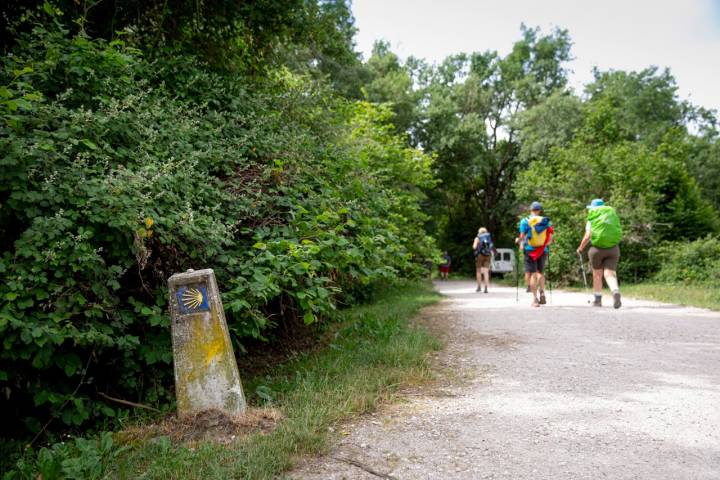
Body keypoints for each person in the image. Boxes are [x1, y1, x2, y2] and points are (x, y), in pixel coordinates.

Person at [576, 198, 623, 308]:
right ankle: (615, 291)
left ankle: (597, 300)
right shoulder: (611, 216)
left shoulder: (592, 218)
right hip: (613, 248)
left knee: (597, 274)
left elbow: (587, 236)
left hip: (596, 249)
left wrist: (580, 248)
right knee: (610, 273)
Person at [518, 201, 553, 307]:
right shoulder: (545, 221)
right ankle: (542, 292)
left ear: (530, 210)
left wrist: (518, 241)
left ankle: (535, 299)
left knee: (533, 274)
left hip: (530, 250)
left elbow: (522, 236)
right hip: (543, 250)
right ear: (540, 210)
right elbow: (550, 239)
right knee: (540, 272)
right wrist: (543, 246)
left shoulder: (525, 221)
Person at [472, 227, 496, 293]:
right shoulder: (488, 237)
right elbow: (491, 246)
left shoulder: (477, 238)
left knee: (478, 271)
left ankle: (479, 287)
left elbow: (474, 247)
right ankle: (486, 288)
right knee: (486, 272)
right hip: (488, 255)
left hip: (480, 255)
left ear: (479, 232)